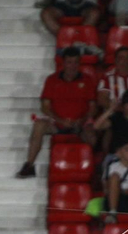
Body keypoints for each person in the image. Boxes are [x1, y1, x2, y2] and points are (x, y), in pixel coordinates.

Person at [19, 47, 99, 177]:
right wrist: (61, 121)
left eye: (75, 62)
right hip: (57, 123)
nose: (72, 66)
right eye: (69, 62)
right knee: (39, 125)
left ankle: (92, 172)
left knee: (92, 135)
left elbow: (93, 107)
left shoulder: (87, 80)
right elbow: (45, 107)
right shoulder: (52, 80)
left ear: (79, 63)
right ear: (63, 63)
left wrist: (82, 120)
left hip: (80, 124)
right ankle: (29, 165)